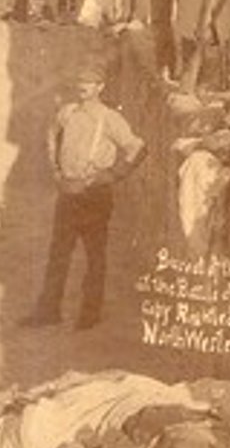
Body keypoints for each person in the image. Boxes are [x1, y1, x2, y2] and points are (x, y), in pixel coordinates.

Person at [22, 58, 147, 330]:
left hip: (95, 195)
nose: (83, 86)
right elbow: (51, 135)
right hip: (68, 192)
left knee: (94, 255)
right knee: (58, 253)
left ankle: (89, 314)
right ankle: (48, 311)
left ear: (100, 87)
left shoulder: (111, 118)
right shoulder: (67, 113)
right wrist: (55, 168)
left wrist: (112, 175)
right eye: (80, 81)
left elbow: (137, 148)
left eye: (89, 82)